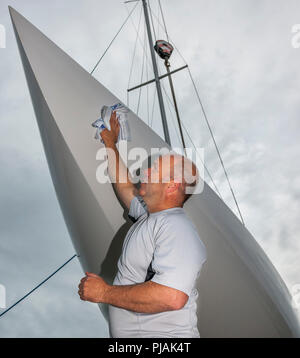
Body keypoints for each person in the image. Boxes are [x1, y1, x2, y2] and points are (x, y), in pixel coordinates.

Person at [78, 111, 207, 338]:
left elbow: (172, 297)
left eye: (154, 171)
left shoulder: (178, 228)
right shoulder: (150, 216)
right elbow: (125, 187)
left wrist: (104, 293)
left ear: (171, 187)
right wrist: (110, 143)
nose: (145, 172)